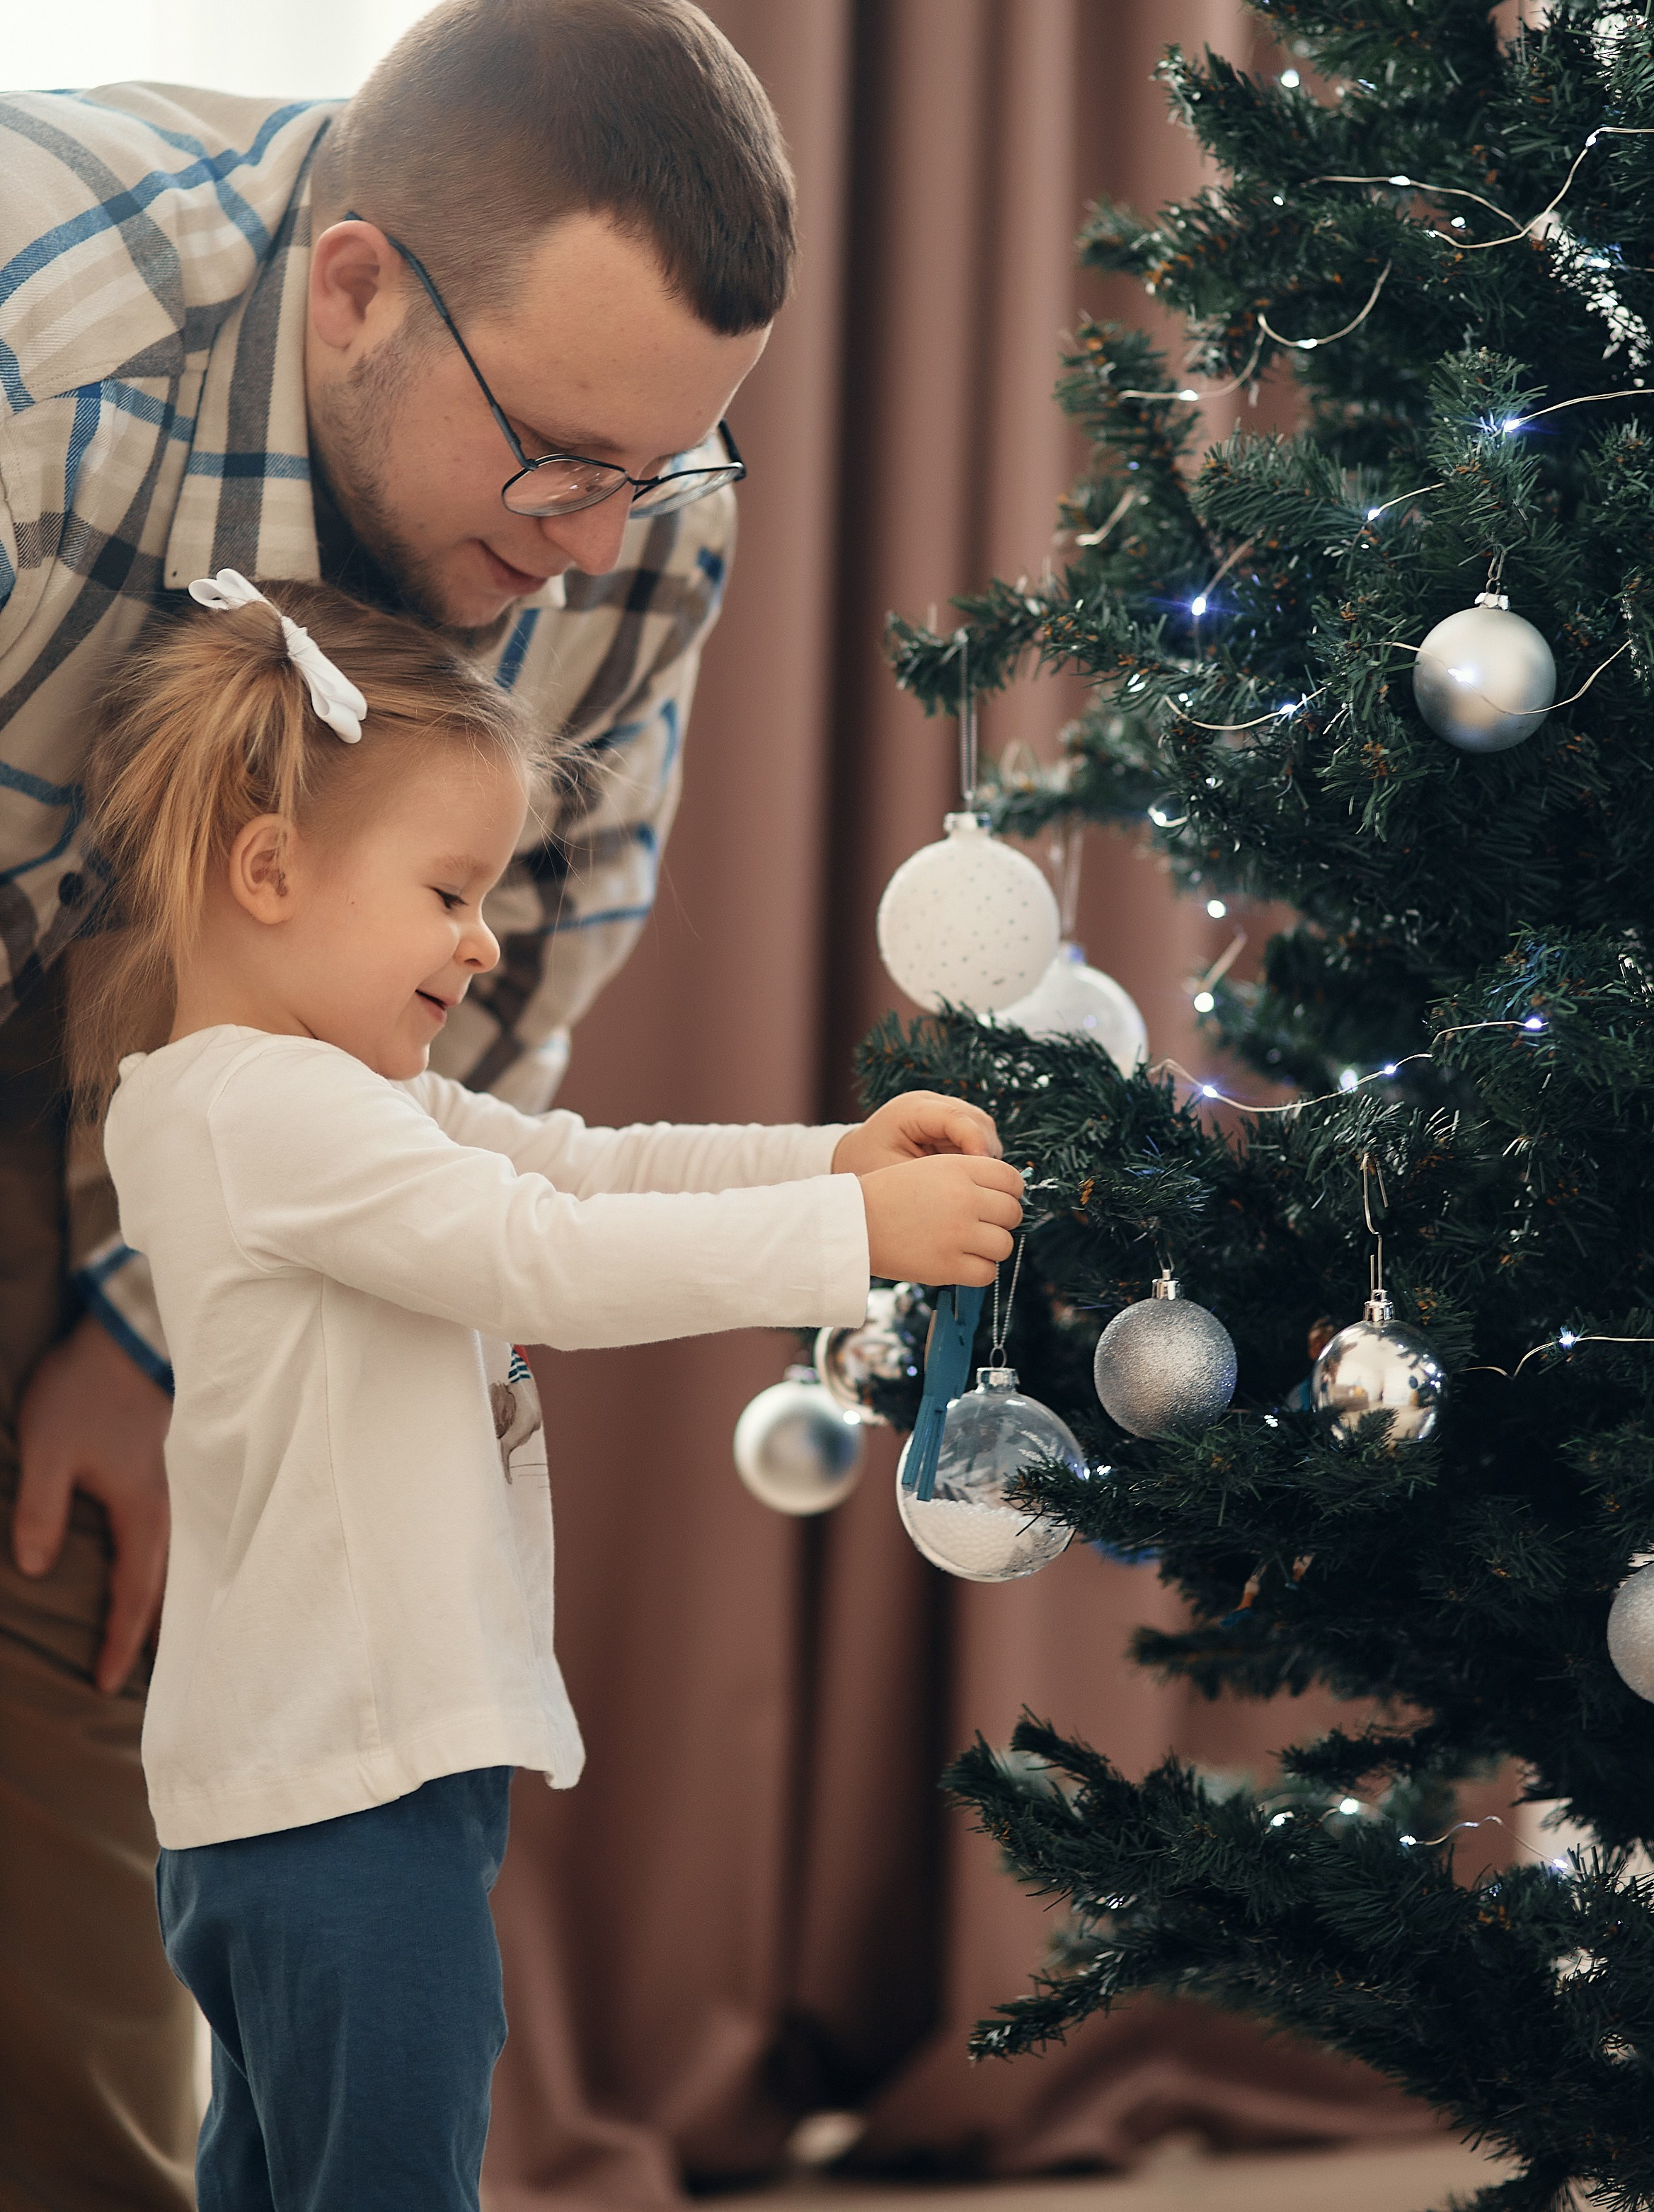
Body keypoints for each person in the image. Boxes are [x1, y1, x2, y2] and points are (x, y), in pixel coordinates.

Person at [0, 0, 804, 2207]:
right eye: (553, 451)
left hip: (202, 1070)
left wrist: (152, 1323)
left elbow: (511, 970)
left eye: (660, 462)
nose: (598, 531)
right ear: (354, 289)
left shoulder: (631, 510)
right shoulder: (38, 374)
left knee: (91, 1669)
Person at [80, 568, 1022, 2212]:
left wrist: (827, 1156)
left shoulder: (309, 1099)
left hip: (315, 1787)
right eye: (448, 887)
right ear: (272, 868)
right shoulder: (270, 1113)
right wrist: (846, 1234)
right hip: (344, 1796)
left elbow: (582, 1168)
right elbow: (540, 1257)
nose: (484, 933)